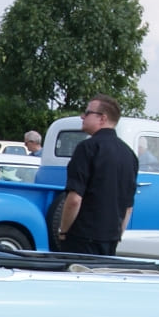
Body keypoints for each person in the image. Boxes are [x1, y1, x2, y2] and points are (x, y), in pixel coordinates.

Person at [56, 95, 138, 256]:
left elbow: (74, 199)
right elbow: (128, 207)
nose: (82, 116)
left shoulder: (87, 148)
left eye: (87, 113)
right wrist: (117, 236)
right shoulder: (129, 154)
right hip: (111, 239)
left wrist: (63, 231)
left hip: (82, 237)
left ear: (102, 118)